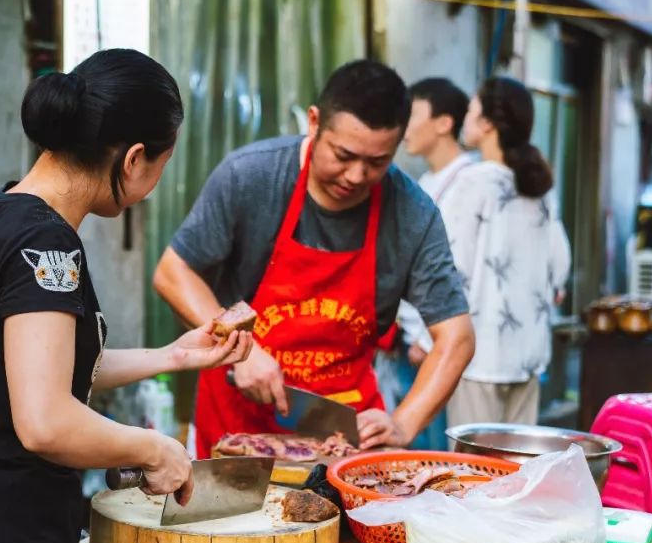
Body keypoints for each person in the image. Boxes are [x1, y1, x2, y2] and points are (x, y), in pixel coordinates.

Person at [0, 49, 253, 543]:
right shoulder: (44, 248)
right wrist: (154, 449)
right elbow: (44, 420)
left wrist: (174, 357)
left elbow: (49, 374)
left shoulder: (11, 213)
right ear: (132, 159)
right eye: (161, 165)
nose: (154, 183)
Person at [153, 60, 474, 459]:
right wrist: (242, 348)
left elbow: (456, 338)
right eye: (344, 155)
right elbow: (172, 272)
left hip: (342, 440)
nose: (356, 175)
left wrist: (405, 422)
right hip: (235, 437)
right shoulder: (251, 176)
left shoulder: (412, 213)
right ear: (314, 122)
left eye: (378, 162)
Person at [442, 76, 571, 427]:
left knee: (470, 474)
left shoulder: (474, 181)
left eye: (470, 111)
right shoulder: (540, 185)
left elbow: (451, 266)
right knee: (516, 472)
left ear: (486, 123)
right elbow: (560, 266)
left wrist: (429, 338)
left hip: (477, 354)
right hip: (528, 354)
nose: (465, 119)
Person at [380, 78, 474, 449]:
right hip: (408, 337)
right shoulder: (425, 181)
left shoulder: (468, 182)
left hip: (434, 340)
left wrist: (423, 336)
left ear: (443, 123)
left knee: (423, 447)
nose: (404, 126)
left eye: (413, 113)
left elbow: (459, 265)